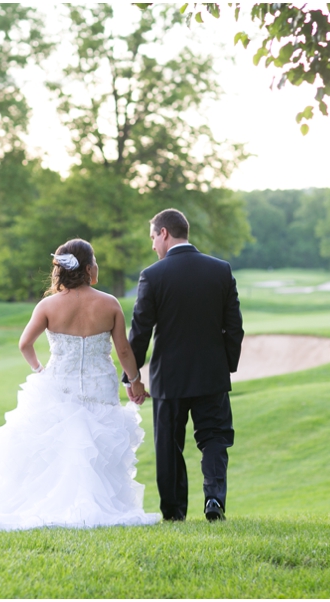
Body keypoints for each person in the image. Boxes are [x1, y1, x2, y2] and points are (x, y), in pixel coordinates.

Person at [0, 239, 160, 530]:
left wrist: (39, 370)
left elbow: (24, 344)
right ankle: (97, 508)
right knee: (96, 445)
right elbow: (123, 351)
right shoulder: (109, 304)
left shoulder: (48, 306)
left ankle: (57, 505)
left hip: (59, 385)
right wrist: (134, 382)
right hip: (99, 387)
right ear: (90, 268)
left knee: (59, 446)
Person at [124, 208, 244, 522]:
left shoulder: (153, 275)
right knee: (215, 438)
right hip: (211, 376)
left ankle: (174, 514)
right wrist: (226, 365)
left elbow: (140, 331)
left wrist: (132, 378)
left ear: (164, 233)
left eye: (153, 237)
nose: (152, 245)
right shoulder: (220, 270)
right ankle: (214, 500)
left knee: (169, 447)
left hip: (170, 379)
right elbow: (234, 327)